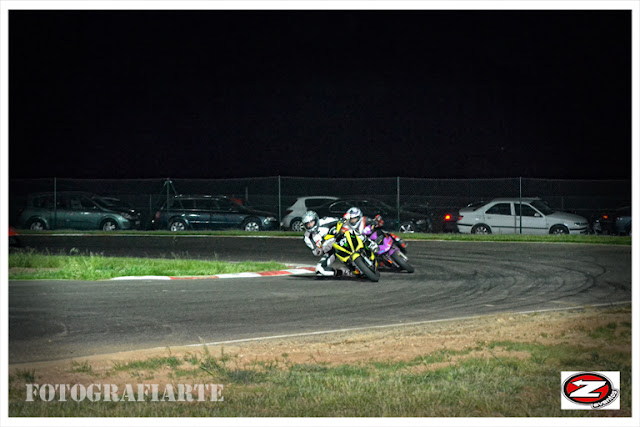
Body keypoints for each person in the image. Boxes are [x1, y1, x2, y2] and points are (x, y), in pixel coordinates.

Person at [302, 210, 352, 277]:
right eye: (307, 224)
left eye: (311, 222)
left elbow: (340, 221)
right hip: (331, 250)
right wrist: (319, 248)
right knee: (319, 270)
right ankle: (344, 272)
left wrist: (343, 222)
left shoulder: (324, 221)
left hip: (341, 239)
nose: (310, 225)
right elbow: (317, 253)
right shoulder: (307, 237)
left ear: (316, 220)